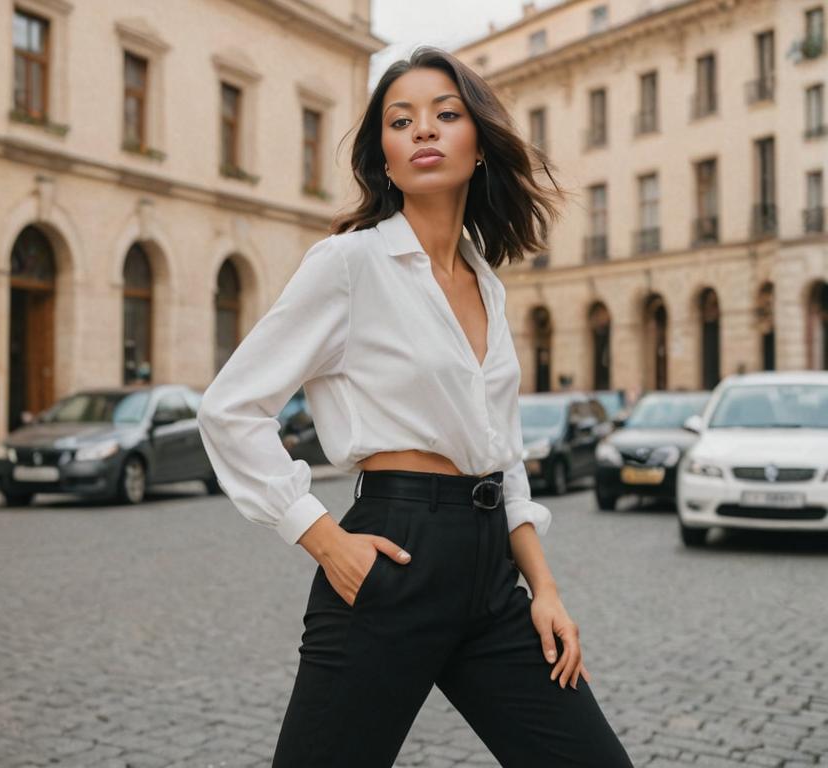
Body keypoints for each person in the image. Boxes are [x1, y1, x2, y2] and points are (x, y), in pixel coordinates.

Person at [196, 46, 635, 768]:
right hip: (391, 560)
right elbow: (229, 408)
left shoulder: (485, 283)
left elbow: (502, 453)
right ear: (386, 159)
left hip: (491, 574)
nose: (423, 131)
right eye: (401, 122)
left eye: (446, 114)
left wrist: (545, 588)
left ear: (479, 145)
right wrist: (323, 537)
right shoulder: (350, 265)